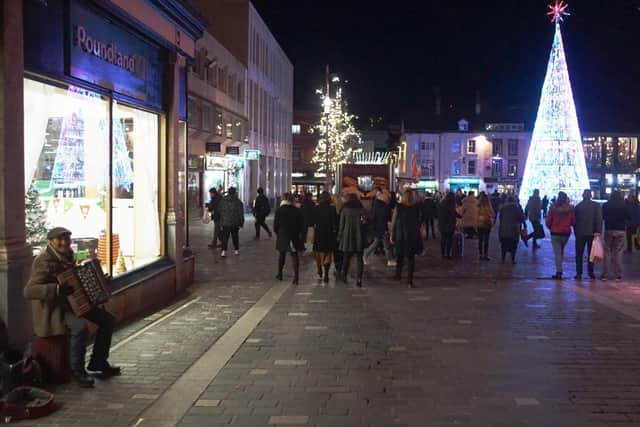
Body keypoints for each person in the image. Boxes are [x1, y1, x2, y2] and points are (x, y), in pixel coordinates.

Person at [23, 227, 120, 388]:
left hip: (75, 303)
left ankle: (98, 362)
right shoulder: (43, 260)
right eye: (59, 239)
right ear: (51, 241)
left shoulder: (68, 255)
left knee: (107, 320)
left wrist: (101, 281)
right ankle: (77, 371)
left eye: (66, 239)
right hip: (55, 310)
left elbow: (75, 280)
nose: (64, 242)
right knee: (80, 328)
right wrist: (57, 289)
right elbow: (28, 291)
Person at [391, 189, 422, 287]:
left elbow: (394, 222)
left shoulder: (399, 207)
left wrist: (392, 234)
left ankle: (398, 275)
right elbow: (419, 223)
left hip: (401, 235)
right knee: (410, 258)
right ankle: (409, 281)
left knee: (399, 256)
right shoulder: (416, 208)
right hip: (412, 236)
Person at [274, 193, 304, 285]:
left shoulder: (279, 210)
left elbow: (276, 225)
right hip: (293, 235)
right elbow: (301, 224)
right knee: (294, 255)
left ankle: (280, 273)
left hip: (283, 234)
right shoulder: (297, 210)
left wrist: (278, 232)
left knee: (282, 254)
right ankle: (296, 277)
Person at [337, 193, 366, 287]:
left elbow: (341, 225)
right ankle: (359, 279)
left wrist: (339, 236)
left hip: (347, 236)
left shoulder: (345, 210)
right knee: (359, 259)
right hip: (359, 236)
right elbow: (365, 222)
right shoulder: (361, 210)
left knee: (346, 257)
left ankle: (344, 275)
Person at [573, 189, 602, 280]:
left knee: (579, 254)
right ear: (591, 196)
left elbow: (574, 221)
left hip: (580, 233)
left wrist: (576, 231)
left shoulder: (578, 206)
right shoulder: (596, 206)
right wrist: (598, 231)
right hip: (592, 233)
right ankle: (591, 272)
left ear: (583, 196)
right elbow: (599, 219)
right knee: (591, 253)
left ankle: (579, 273)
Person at [545, 191, 575, 279]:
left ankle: (559, 271)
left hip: (555, 232)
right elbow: (573, 221)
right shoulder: (570, 209)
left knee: (557, 252)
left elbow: (548, 220)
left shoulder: (553, 208)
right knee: (560, 251)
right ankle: (559, 268)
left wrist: (551, 227)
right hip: (566, 233)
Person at [602, 191, 629, 281]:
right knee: (618, 252)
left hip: (609, 229)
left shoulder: (606, 205)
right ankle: (618, 275)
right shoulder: (624, 205)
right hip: (621, 230)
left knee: (607, 251)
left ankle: (605, 275)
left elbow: (603, 216)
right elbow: (628, 217)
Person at [363, 188, 394, 266]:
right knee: (386, 245)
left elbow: (373, 217)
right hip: (382, 228)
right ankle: (390, 260)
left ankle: (365, 255)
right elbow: (386, 218)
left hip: (377, 228)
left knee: (376, 243)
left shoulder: (376, 205)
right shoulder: (383, 207)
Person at [312, 191, 338, 283]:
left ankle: (319, 269)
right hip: (329, 234)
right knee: (327, 254)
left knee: (318, 253)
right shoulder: (332, 209)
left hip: (319, 233)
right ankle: (326, 273)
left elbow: (312, 221)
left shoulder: (316, 208)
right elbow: (334, 222)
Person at [498, 196, 525, 264]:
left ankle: (503, 259)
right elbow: (521, 218)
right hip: (514, 230)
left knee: (504, 245)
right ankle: (512, 259)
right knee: (513, 245)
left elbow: (500, 218)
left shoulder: (503, 208)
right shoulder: (516, 208)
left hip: (503, 230)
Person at [219, 187, 244, 257]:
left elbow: (219, 210)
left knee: (225, 237)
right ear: (235, 192)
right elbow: (240, 213)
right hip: (234, 222)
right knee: (235, 236)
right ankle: (236, 250)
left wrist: (221, 221)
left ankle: (223, 251)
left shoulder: (223, 201)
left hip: (225, 222)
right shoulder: (238, 202)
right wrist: (241, 222)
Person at [475, 192, 495, 261]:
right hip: (487, 225)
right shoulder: (489, 206)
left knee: (480, 240)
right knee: (486, 240)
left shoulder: (478, 206)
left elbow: (475, 215)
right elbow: (492, 214)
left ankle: (480, 255)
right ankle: (485, 255)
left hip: (479, 225)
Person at [438, 192, 458, 259]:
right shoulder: (452, 205)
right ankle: (448, 254)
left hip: (442, 224)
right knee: (449, 240)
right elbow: (454, 214)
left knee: (443, 239)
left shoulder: (441, 204)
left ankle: (443, 254)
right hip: (450, 224)